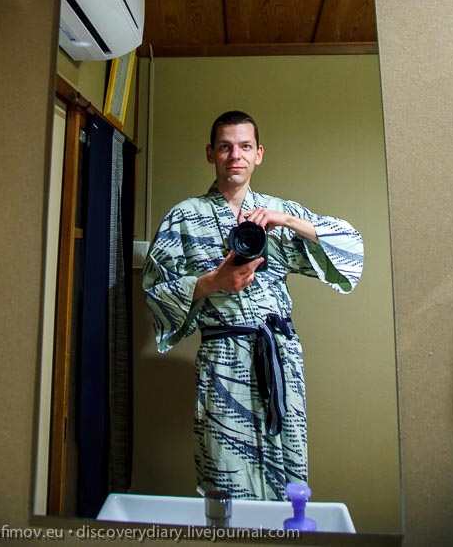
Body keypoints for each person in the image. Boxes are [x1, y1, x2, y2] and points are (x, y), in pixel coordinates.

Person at [142, 110, 364, 501]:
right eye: (225, 147)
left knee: (287, 471)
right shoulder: (184, 217)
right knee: (225, 473)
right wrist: (215, 282)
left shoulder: (277, 212)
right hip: (222, 358)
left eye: (245, 147)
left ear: (258, 154)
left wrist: (287, 221)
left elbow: (351, 245)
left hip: (279, 355)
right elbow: (155, 292)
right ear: (210, 153)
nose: (235, 156)